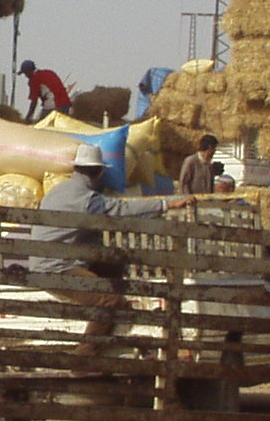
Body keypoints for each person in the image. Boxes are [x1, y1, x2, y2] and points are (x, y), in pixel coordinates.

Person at [30, 143, 194, 352]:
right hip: (55, 268)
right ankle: (83, 358)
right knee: (108, 299)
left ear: (75, 169)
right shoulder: (87, 200)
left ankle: (118, 312)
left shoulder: (58, 191)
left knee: (112, 263)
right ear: (99, 172)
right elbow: (122, 208)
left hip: (48, 261)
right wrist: (166, 204)